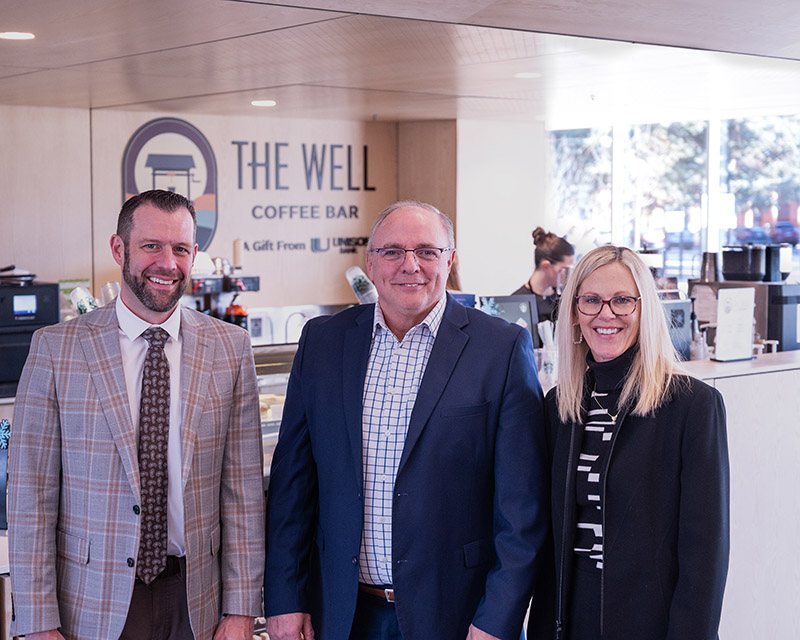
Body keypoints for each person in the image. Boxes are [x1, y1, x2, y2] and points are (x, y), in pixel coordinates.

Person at [264, 201, 549, 640]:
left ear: (450, 260)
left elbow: (522, 507)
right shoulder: (323, 341)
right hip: (341, 612)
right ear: (370, 263)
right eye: (393, 251)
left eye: (427, 251)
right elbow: (292, 487)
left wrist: (498, 619)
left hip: (457, 615)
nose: (410, 265)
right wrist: (284, 599)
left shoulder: (501, 348)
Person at [8, 190, 266, 640]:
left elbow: (242, 492)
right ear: (118, 248)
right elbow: (30, 496)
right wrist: (36, 622)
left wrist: (242, 608)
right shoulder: (56, 349)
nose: (167, 263)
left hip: (197, 602)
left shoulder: (231, 348)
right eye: (151, 246)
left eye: (180, 249)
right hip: (89, 604)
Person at [527, 245, 729, 640]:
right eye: (591, 300)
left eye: (622, 300)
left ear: (644, 309)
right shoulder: (560, 406)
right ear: (573, 312)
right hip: (568, 617)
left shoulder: (693, 406)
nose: (606, 314)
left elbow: (705, 554)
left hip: (649, 620)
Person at [512, 227, 574, 324]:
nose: (567, 276)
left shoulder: (563, 300)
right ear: (546, 266)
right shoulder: (517, 301)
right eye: (564, 270)